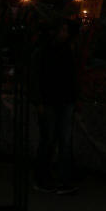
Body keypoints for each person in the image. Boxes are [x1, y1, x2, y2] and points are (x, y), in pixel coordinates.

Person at [30, 19, 80, 195]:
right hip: (49, 101)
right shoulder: (41, 52)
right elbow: (35, 78)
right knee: (49, 140)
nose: (65, 34)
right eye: (62, 30)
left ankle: (64, 178)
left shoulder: (67, 50)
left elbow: (72, 75)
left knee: (64, 141)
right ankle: (43, 177)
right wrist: (39, 102)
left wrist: (74, 97)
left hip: (65, 100)